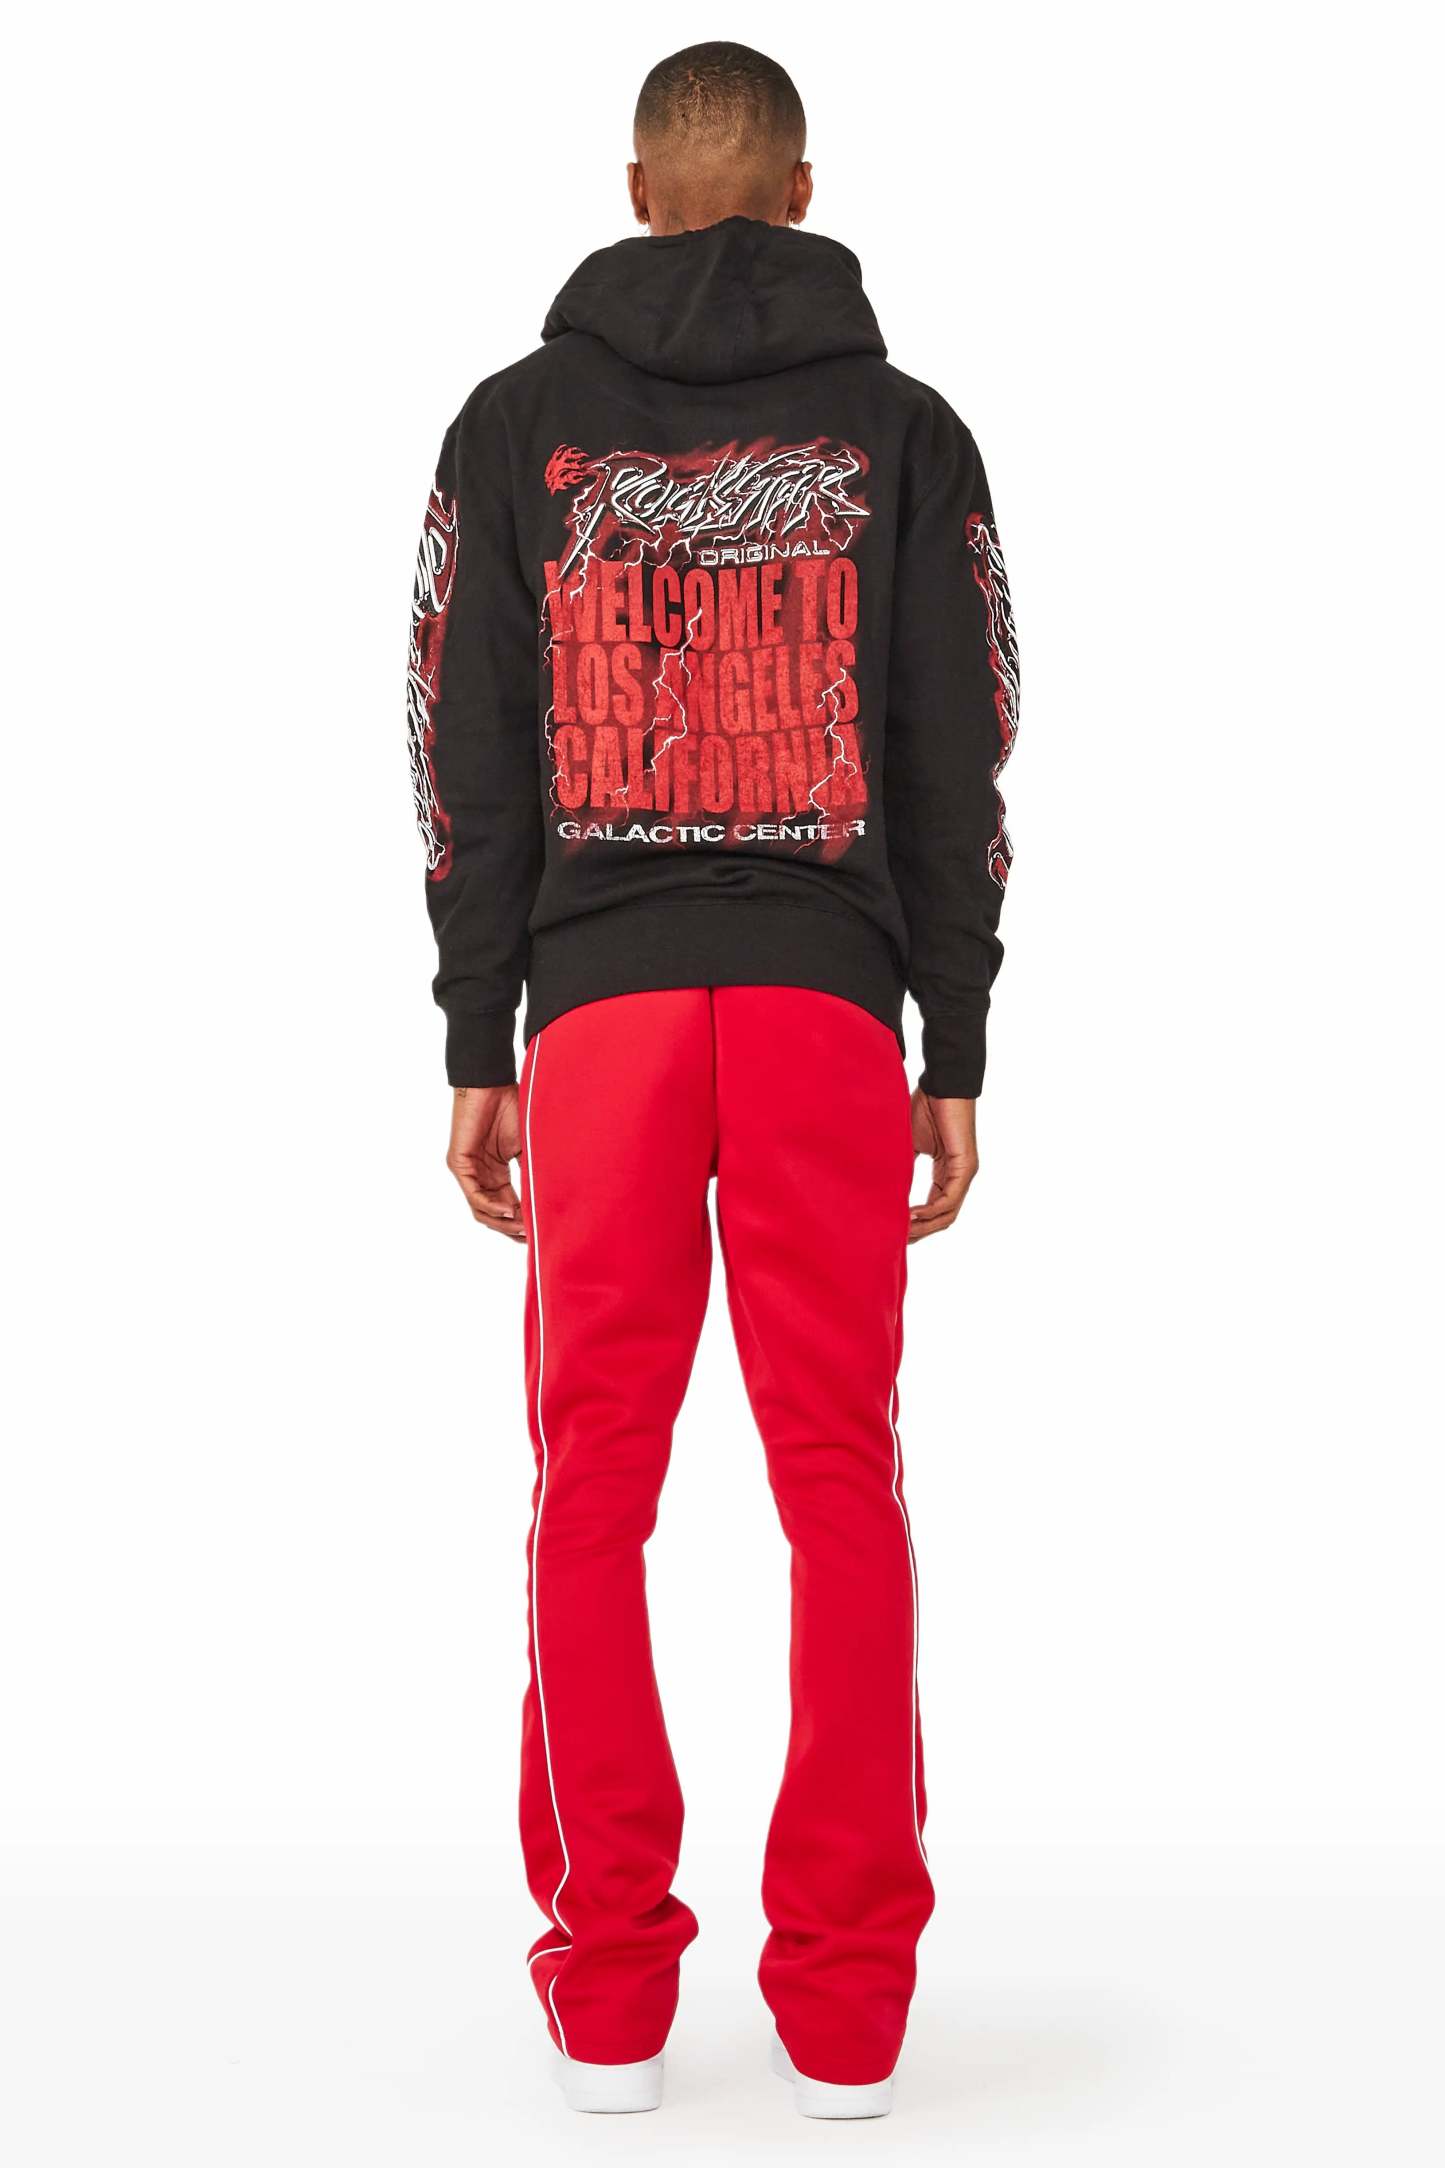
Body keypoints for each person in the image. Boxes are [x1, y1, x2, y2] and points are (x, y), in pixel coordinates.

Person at [407, 40, 1019, 2122]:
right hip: (826, 1002)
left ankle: (610, 1999)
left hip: (599, 1013)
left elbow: (460, 735)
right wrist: (956, 1031)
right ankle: (847, 2013)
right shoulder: (905, 431)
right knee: (841, 1480)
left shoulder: (514, 426)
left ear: (639, 189)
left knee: (593, 1486)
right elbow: (961, 735)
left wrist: (477, 1031)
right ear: (804, 188)